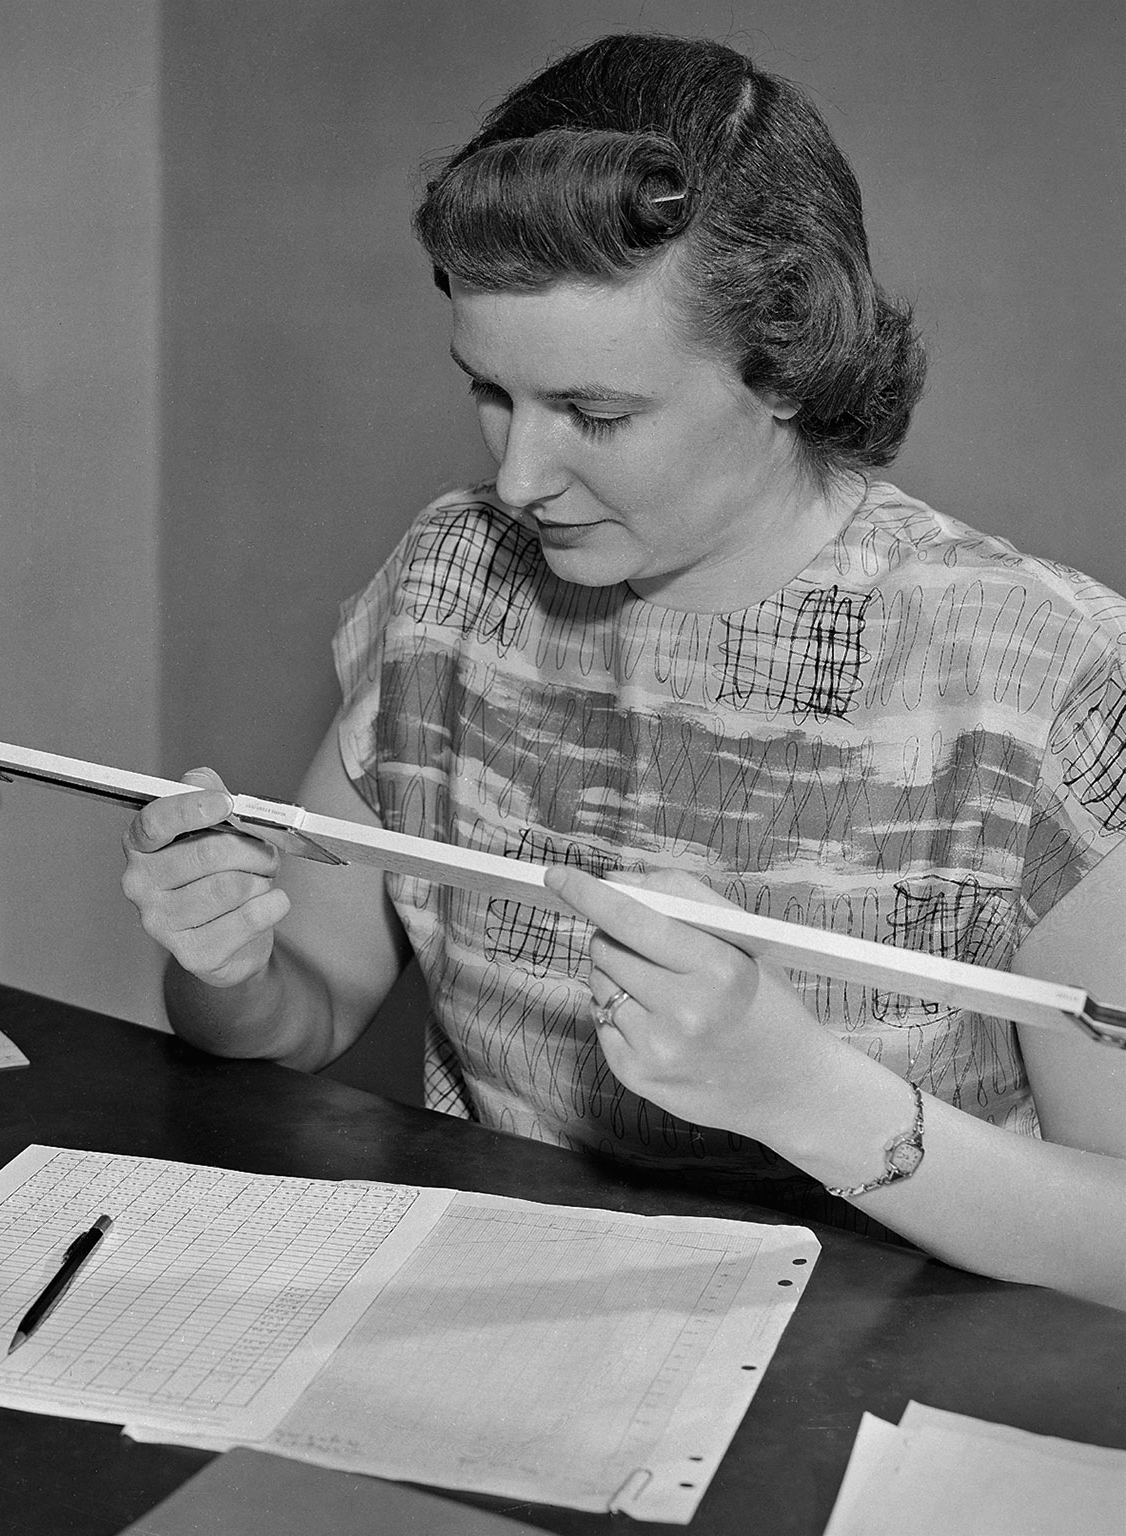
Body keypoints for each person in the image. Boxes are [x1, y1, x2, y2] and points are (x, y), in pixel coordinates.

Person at [121, 32, 1126, 1310]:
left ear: (784, 365)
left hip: (886, 1378)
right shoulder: (451, 584)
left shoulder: (1044, 683)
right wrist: (228, 967)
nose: (516, 477)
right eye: (491, 392)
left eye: (593, 415)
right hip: (498, 1325)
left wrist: (805, 1098)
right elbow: (305, 1016)